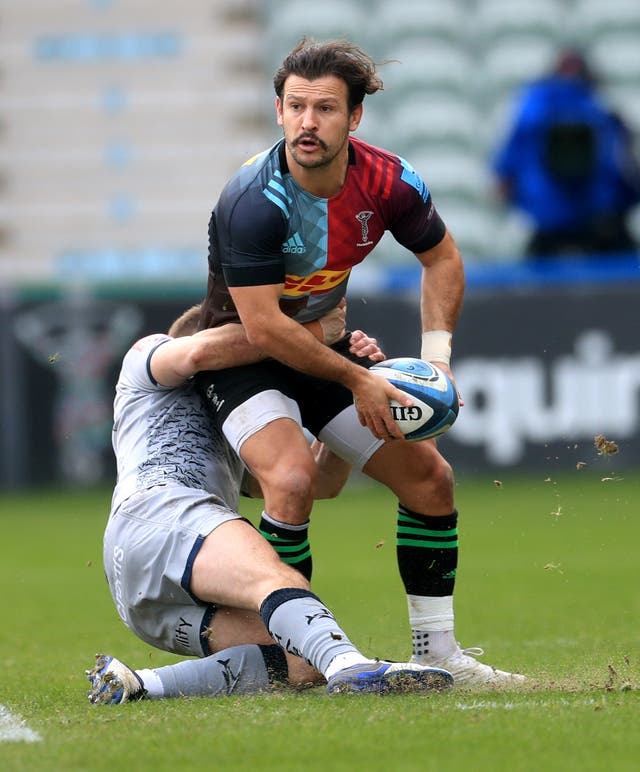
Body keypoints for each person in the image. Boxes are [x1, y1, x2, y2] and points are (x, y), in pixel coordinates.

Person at [195, 38, 525, 687]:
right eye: (295, 107)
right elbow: (263, 328)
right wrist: (357, 376)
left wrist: (438, 360)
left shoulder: (388, 180)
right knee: (292, 481)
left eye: (323, 108)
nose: (307, 122)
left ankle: (439, 654)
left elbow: (443, 258)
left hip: (324, 348)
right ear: (279, 110)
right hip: (240, 355)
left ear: (354, 118)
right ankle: (294, 656)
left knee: (431, 480)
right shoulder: (254, 199)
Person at [86, 304, 453, 704]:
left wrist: (354, 390)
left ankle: (136, 684)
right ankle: (352, 666)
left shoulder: (237, 420)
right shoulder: (151, 355)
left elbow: (321, 484)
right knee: (278, 580)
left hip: (142, 595)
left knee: (302, 658)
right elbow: (197, 353)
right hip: (158, 514)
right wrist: (312, 338)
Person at [492, 47, 640, 259]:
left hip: (555, 224)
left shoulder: (531, 111)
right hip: (598, 223)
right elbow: (627, 176)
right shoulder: (601, 111)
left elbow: (503, 179)